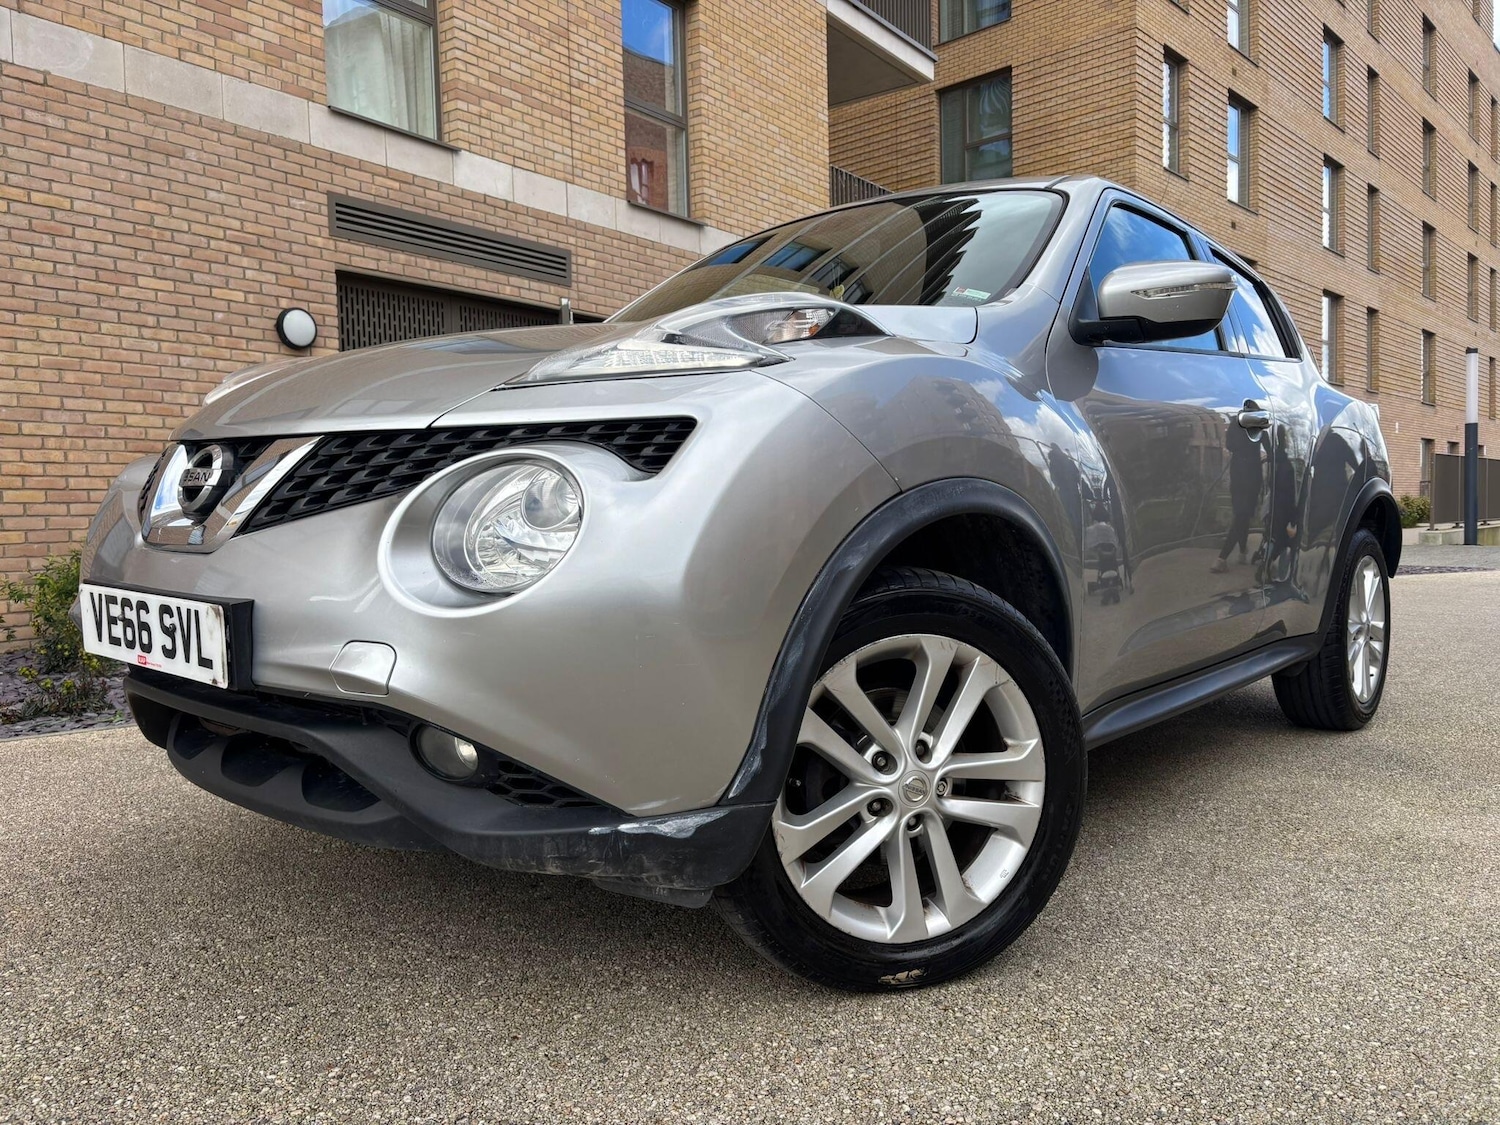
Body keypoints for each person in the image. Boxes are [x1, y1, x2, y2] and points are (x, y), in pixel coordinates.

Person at [1211, 401, 1265, 573]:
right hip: (1251, 477)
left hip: (1237, 475)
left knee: (1242, 515)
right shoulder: (1257, 425)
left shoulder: (1236, 423)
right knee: (1243, 516)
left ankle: (1242, 552)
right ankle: (1222, 558)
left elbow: (1230, 446)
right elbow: (1269, 448)